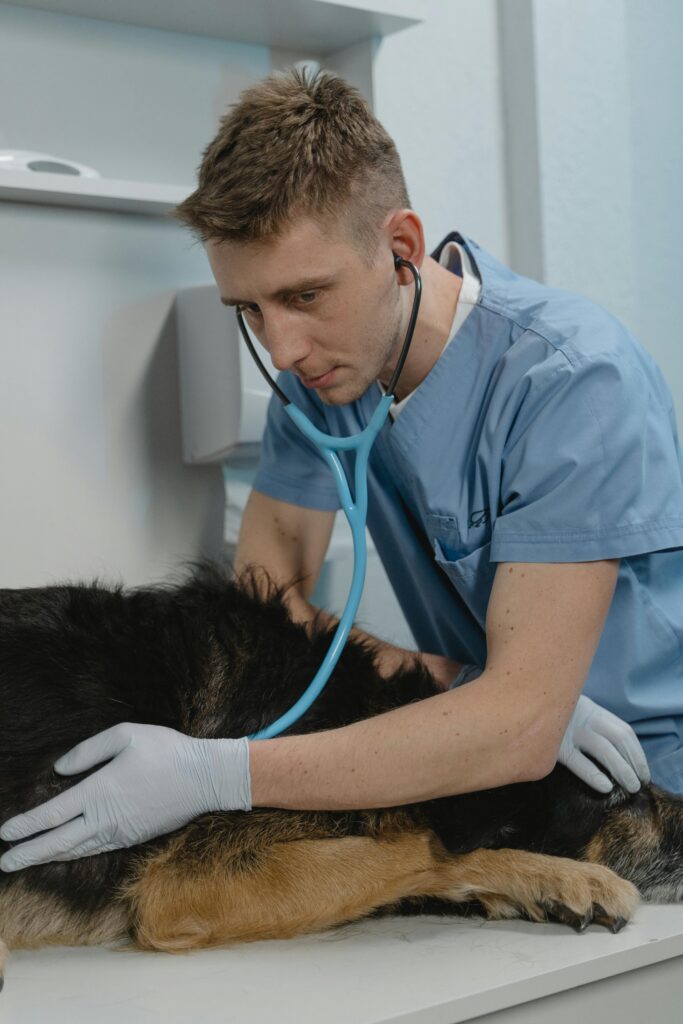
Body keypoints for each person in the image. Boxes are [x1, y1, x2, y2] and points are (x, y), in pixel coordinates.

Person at [2, 67, 682, 872]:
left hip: (648, 790)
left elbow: (520, 729)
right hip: (492, 773)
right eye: (249, 309)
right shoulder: (327, 385)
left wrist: (218, 775)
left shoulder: (569, 381)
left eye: (306, 295)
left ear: (400, 248)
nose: (283, 351)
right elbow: (268, 600)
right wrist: (457, 680)